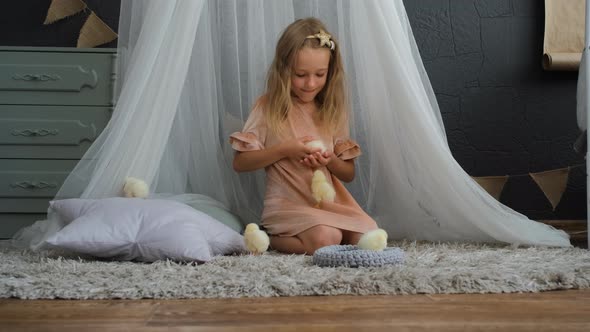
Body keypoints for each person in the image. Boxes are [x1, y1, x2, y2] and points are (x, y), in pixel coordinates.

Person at [230, 18, 379, 255]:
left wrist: (329, 160)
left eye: (320, 74)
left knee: (369, 237)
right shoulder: (268, 107)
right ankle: (271, 237)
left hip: (329, 205)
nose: (310, 83)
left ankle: (323, 232)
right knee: (326, 238)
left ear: (330, 72)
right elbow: (240, 163)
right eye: (300, 74)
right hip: (287, 205)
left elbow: (348, 174)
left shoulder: (331, 110)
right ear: (283, 70)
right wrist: (285, 150)